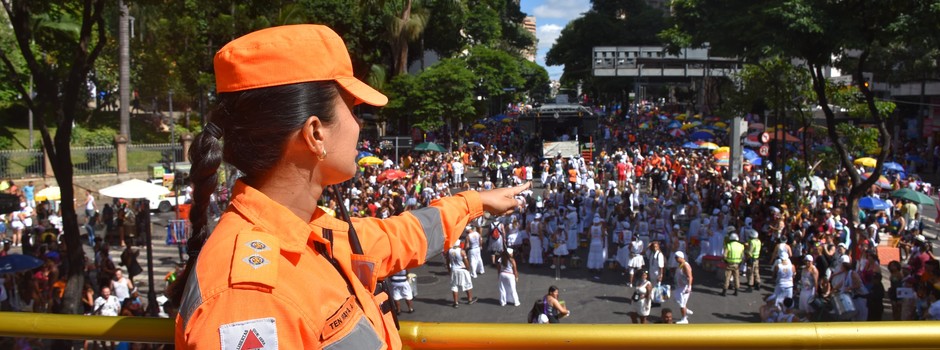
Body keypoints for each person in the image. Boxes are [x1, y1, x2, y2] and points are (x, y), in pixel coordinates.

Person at [170, 25, 525, 350]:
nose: (359, 126)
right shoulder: (248, 295)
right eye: (353, 110)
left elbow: (399, 236)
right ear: (315, 134)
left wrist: (475, 202)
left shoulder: (313, 233)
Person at [673, 251, 693, 324]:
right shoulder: (680, 264)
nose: (675, 259)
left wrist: (689, 287)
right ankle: (686, 309)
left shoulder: (685, 266)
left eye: (677, 257)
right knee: (677, 299)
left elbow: (690, 277)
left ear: (681, 257)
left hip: (684, 288)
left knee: (682, 304)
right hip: (679, 286)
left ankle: (684, 319)